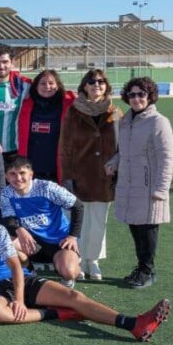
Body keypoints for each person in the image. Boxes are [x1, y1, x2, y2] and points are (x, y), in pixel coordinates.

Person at [0, 187, 171, 342]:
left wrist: (19, 300)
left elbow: (16, 268)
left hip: (18, 280)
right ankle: (57, 313)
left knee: (73, 297)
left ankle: (133, 324)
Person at [106, 77, 173, 288]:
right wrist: (113, 162)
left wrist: (161, 189)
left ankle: (148, 270)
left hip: (148, 186)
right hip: (128, 184)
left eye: (141, 94)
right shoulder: (126, 120)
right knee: (135, 227)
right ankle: (141, 267)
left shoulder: (158, 122)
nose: (136, 99)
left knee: (147, 228)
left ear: (150, 96)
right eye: (132, 95)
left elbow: (167, 158)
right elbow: (124, 151)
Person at [59, 69, 122, 281]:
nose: (97, 85)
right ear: (84, 86)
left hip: (105, 176)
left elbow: (122, 145)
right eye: (92, 81)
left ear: (107, 86)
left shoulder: (115, 112)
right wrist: (67, 177)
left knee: (98, 221)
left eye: (101, 81)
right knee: (79, 219)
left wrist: (116, 167)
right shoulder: (73, 111)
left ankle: (92, 260)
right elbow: (65, 147)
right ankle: (78, 258)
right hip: (79, 174)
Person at [0, 157, 83, 287]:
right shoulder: (6, 193)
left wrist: (72, 236)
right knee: (5, 243)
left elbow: (77, 206)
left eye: (22, 173)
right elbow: (8, 219)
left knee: (69, 272)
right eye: (12, 174)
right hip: (32, 243)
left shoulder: (47, 188)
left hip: (59, 241)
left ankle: (70, 266)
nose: (18, 178)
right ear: (6, 176)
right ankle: (29, 270)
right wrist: (19, 229)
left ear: (31, 174)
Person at [17, 69, 76, 182]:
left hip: (57, 170)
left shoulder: (68, 104)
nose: (47, 86)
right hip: (31, 170)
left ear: (57, 86)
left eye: (51, 83)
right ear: (36, 86)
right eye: (43, 83)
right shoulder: (25, 104)